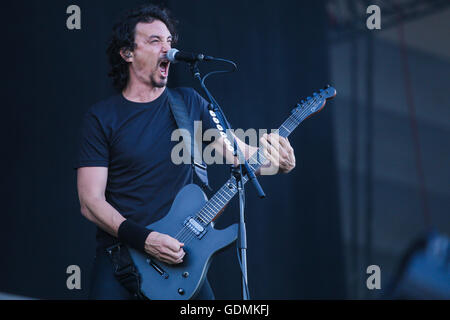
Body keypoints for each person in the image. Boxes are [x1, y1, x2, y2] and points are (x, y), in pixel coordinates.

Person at [75, 4, 296, 300]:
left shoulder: (188, 103)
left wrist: (278, 161)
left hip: (179, 266)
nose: (167, 50)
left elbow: (239, 155)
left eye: (169, 42)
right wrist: (146, 239)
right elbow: (90, 202)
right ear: (127, 53)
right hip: (121, 262)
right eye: (155, 41)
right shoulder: (102, 118)